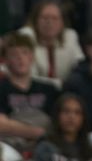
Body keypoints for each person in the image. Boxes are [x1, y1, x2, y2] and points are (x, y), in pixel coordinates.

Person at [0, 32, 60, 160]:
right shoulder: (2, 88)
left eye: (24, 52)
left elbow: (60, 121)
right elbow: (1, 124)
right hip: (10, 145)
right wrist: (38, 132)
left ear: (32, 56)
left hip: (46, 145)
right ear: (5, 60)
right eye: (14, 54)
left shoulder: (49, 89)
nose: (20, 58)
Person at [18, 0, 82, 86]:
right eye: (44, 18)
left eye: (55, 18)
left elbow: (80, 67)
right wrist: (58, 84)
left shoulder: (70, 36)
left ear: (62, 22)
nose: (49, 23)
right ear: (35, 21)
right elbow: (29, 77)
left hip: (63, 93)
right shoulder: (25, 37)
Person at [31, 92, 92, 161]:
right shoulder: (46, 148)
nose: (71, 117)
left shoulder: (90, 150)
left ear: (83, 118)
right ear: (57, 115)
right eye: (66, 111)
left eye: (77, 113)